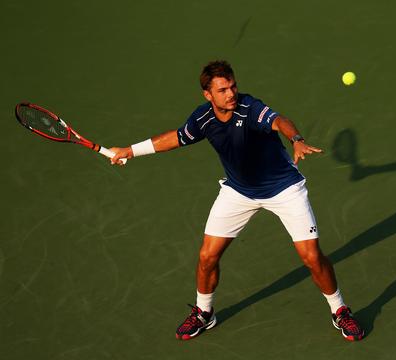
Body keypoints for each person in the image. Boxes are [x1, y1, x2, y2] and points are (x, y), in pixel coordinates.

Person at [110, 60, 364, 341]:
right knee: (207, 256)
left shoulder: (249, 107)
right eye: (222, 90)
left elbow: (280, 121)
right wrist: (130, 151)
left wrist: (296, 139)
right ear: (208, 95)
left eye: (232, 86)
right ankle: (204, 313)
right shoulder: (203, 119)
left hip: (284, 190)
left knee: (312, 257)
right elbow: (177, 137)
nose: (231, 94)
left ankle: (339, 311)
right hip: (239, 192)